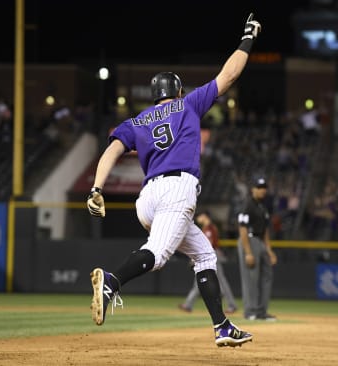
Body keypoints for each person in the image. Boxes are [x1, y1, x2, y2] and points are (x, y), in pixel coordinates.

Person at [86, 13, 262, 348]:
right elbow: (230, 74)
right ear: (178, 90)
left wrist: (97, 188)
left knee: (205, 256)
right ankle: (112, 281)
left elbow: (111, 149)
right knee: (159, 254)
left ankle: (222, 326)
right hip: (177, 190)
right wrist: (249, 37)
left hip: (147, 200)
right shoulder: (188, 104)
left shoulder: (137, 120)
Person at [179, 211, 237, 314]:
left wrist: (194, 259)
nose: (198, 218)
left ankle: (231, 305)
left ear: (205, 216)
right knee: (199, 282)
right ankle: (188, 304)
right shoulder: (208, 228)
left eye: (199, 216)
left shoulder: (209, 229)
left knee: (221, 282)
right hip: (209, 256)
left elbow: (207, 246)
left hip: (211, 256)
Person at [237, 176, 277, 321]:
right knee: (251, 278)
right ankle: (250, 311)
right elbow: (242, 228)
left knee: (266, 276)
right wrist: (248, 252)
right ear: (253, 189)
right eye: (259, 187)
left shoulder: (263, 207)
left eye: (264, 188)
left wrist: (269, 250)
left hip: (260, 241)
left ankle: (261, 311)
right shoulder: (248, 204)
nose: (262, 190)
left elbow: (266, 231)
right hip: (249, 239)